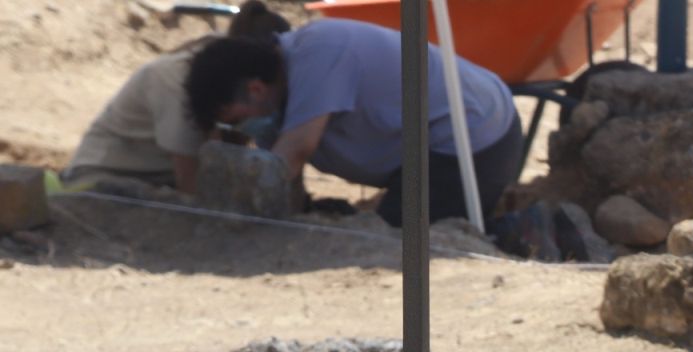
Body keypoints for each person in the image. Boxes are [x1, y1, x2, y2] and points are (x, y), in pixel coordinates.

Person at [185, 18, 522, 226]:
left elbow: (292, 154)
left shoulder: (320, 51)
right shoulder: (275, 99)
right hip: (425, 153)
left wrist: (234, 219)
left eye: (237, 121)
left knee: (402, 239)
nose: (244, 133)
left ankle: (524, 230)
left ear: (255, 89)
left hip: (472, 140)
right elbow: (287, 181)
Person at [61, 2, 289, 194]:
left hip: (160, 176)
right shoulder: (178, 84)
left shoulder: (233, 68)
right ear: (254, 86)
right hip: (102, 177)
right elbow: (190, 184)